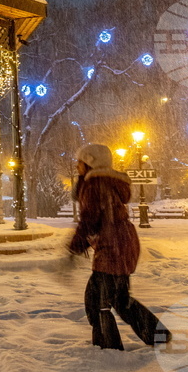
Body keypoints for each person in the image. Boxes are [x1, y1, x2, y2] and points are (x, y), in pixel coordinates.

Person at [68, 143, 168, 350]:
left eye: (80, 161)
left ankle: (109, 347)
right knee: (120, 299)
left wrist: (74, 247)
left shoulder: (95, 184)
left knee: (97, 302)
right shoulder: (100, 182)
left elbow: (90, 218)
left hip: (112, 245)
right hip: (121, 242)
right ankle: (157, 334)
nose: (76, 165)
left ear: (90, 163)